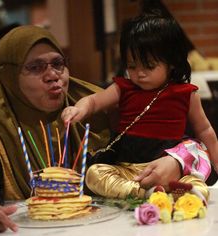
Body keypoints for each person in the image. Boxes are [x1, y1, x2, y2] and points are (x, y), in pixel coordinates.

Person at [0, 25, 111, 234]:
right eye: (35, 67)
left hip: (104, 232)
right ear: (10, 77)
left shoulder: (95, 107)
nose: (53, 75)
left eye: (58, 63)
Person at [62, 15, 218, 201]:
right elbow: (95, 101)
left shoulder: (186, 93)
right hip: (128, 169)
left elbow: (205, 129)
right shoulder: (123, 88)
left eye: (149, 66)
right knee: (94, 174)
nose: (139, 74)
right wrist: (79, 109)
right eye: (132, 66)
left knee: (197, 182)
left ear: (172, 62)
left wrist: (216, 162)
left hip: (169, 167)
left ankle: (169, 192)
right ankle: (148, 193)